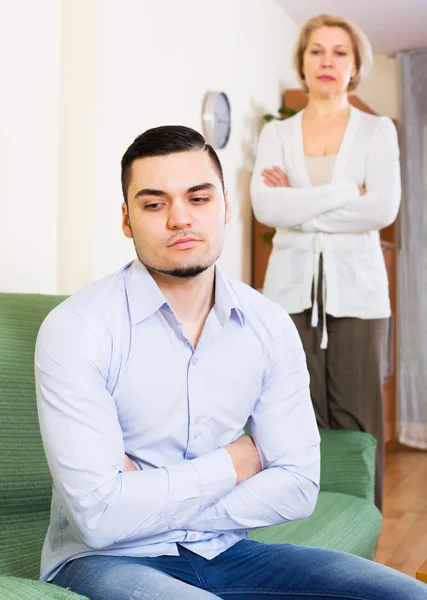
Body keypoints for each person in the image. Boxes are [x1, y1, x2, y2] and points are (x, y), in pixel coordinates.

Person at [35, 125, 424, 600]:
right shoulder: (78, 328)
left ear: (226, 207)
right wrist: (238, 461)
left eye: (198, 198)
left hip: (223, 551)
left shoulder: (269, 325)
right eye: (155, 204)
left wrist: (143, 501)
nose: (180, 219)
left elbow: (298, 485)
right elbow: (98, 521)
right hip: (102, 562)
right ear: (126, 219)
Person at [250, 14, 401, 512]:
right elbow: (267, 208)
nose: (327, 61)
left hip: (358, 295)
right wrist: (343, 194)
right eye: (316, 51)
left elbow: (381, 209)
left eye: (339, 51)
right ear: (302, 62)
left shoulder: (376, 131)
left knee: (358, 421)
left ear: (355, 65)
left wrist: (300, 202)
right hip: (289, 291)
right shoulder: (279, 133)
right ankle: (306, 522)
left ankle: (362, 524)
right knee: (295, 416)